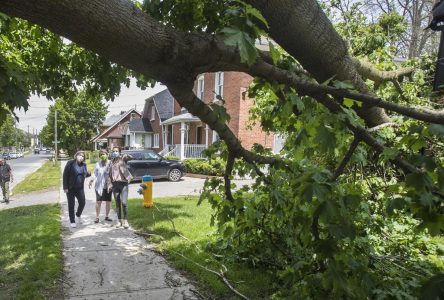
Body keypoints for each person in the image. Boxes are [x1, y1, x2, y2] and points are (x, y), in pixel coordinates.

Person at [63, 151, 91, 228]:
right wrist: (65, 187)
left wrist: (89, 173)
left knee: (82, 202)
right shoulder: (70, 163)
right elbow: (65, 175)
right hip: (70, 188)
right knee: (71, 204)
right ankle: (72, 221)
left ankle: (78, 214)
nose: (81, 157)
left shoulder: (84, 165)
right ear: (76, 155)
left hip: (80, 188)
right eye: (79, 155)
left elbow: (84, 174)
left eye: (82, 156)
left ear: (84, 158)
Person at [109, 146, 133, 228]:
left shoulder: (123, 159)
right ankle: (119, 221)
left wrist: (126, 155)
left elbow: (131, 158)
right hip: (115, 185)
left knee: (124, 203)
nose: (115, 152)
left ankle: (125, 220)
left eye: (116, 151)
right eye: (114, 151)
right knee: (117, 204)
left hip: (123, 184)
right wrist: (109, 185)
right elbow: (109, 175)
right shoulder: (111, 162)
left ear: (119, 152)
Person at [89, 149, 113, 223]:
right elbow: (95, 173)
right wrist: (91, 180)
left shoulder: (111, 163)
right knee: (98, 201)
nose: (103, 155)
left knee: (108, 201)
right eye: (101, 154)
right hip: (99, 186)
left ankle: (107, 216)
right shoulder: (97, 164)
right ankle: (97, 217)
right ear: (100, 156)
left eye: (104, 154)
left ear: (107, 154)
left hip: (108, 185)